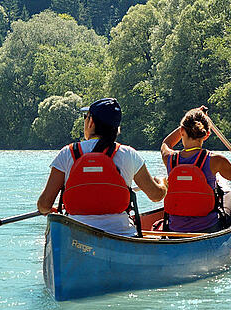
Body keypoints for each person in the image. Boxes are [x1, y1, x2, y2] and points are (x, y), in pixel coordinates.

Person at [37, 97, 166, 236]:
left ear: (91, 122)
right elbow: (156, 195)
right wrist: (162, 183)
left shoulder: (67, 153)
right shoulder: (129, 154)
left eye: (85, 117)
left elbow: (44, 205)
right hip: (121, 235)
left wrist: (49, 210)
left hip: (74, 234)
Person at [158, 108, 231, 232]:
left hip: (174, 228)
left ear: (182, 131)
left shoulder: (169, 158)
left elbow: (166, 143)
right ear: (206, 135)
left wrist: (188, 120)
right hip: (208, 228)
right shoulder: (216, 160)